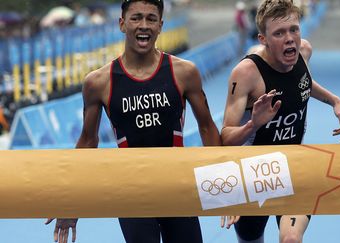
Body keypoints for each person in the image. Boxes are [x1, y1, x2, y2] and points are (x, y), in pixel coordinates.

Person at [45, 1, 221, 243]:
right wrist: (71, 201)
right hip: (130, 189)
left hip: (176, 186)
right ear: (122, 24)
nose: (144, 25)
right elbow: (87, 142)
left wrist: (226, 191)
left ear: (160, 26)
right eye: (136, 18)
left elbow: (207, 127)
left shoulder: (184, 72)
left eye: (151, 19)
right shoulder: (98, 82)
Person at [220, 1, 340, 243]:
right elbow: (225, 137)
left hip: (292, 166)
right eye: (279, 33)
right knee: (250, 237)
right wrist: (253, 124)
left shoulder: (304, 52)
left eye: (294, 29)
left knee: (291, 238)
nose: (290, 39)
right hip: (253, 174)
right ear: (263, 39)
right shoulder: (246, 74)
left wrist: (334, 100)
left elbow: (303, 83)